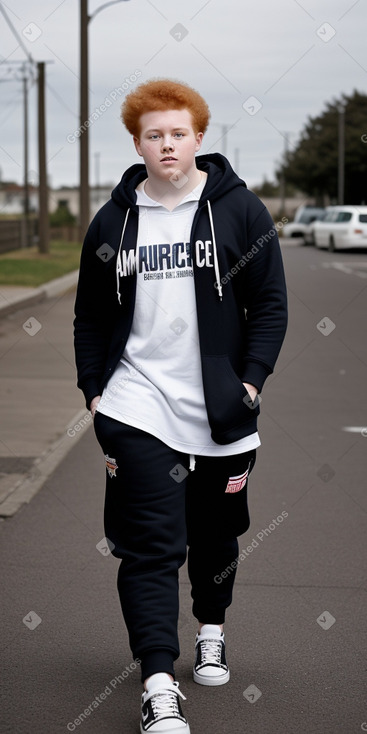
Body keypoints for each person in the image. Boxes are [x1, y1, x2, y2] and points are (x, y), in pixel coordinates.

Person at [73, 78, 287, 734]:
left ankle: (211, 626)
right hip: (137, 407)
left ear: (198, 136)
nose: (166, 144)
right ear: (137, 143)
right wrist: (97, 393)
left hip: (222, 413)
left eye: (177, 132)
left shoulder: (239, 212)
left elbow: (269, 306)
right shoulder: (114, 221)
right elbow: (90, 313)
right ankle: (158, 684)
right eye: (152, 135)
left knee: (216, 536)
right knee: (151, 545)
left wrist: (248, 383)